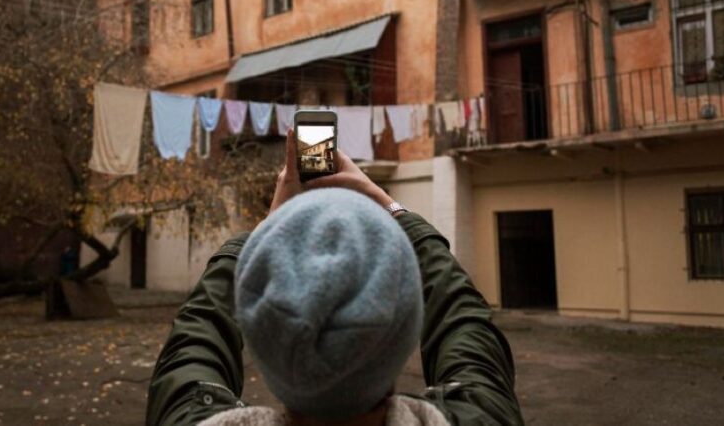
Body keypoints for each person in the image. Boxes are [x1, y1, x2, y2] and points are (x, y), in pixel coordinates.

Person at [146, 131, 524, 426]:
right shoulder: (486, 416)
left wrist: (268, 229)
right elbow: (463, 316)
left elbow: (195, 339)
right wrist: (383, 201)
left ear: (260, 338)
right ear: (409, 332)